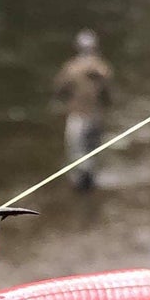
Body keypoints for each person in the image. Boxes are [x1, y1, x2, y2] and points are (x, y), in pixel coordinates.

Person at [52, 29, 113, 191]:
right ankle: (90, 182)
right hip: (96, 117)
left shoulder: (72, 68)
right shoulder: (103, 68)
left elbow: (59, 90)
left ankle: (81, 184)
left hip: (78, 116)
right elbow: (108, 97)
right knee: (93, 149)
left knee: (76, 149)